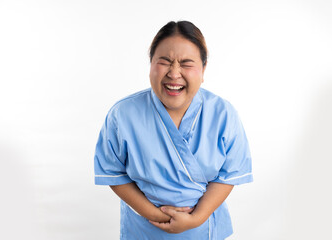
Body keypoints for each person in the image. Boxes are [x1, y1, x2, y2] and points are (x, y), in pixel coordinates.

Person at [94, 20, 253, 239]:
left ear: (203, 68)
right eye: (165, 62)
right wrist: (155, 215)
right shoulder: (122, 114)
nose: (174, 73)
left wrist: (196, 218)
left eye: (186, 63)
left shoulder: (223, 114)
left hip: (203, 229)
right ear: (151, 64)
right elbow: (113, 173)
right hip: (144, 228)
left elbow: (229, 175)